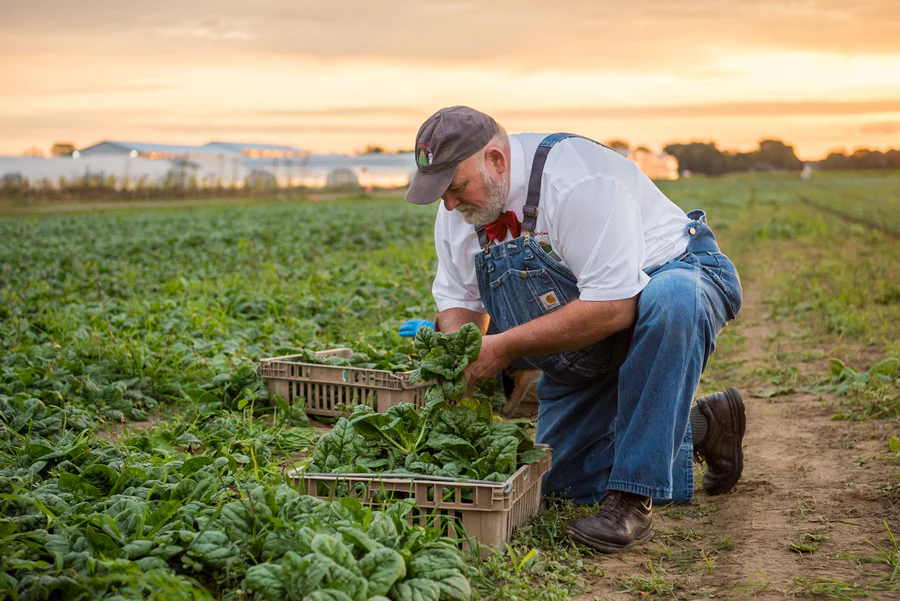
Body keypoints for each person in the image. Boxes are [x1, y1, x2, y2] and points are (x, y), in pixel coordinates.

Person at [403, 106, 746, 553]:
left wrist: (501, 348)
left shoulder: (576, 181)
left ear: (496, 161)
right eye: (440, 193)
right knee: (562, 484)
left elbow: (613, 307)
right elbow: (459, 303)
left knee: (672, 300)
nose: (449, 204)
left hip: (673, 279)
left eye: (455, 187)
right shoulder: (461, 212)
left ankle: (631, 499)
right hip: (586, 339)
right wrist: (458, 361)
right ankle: (705, 427)